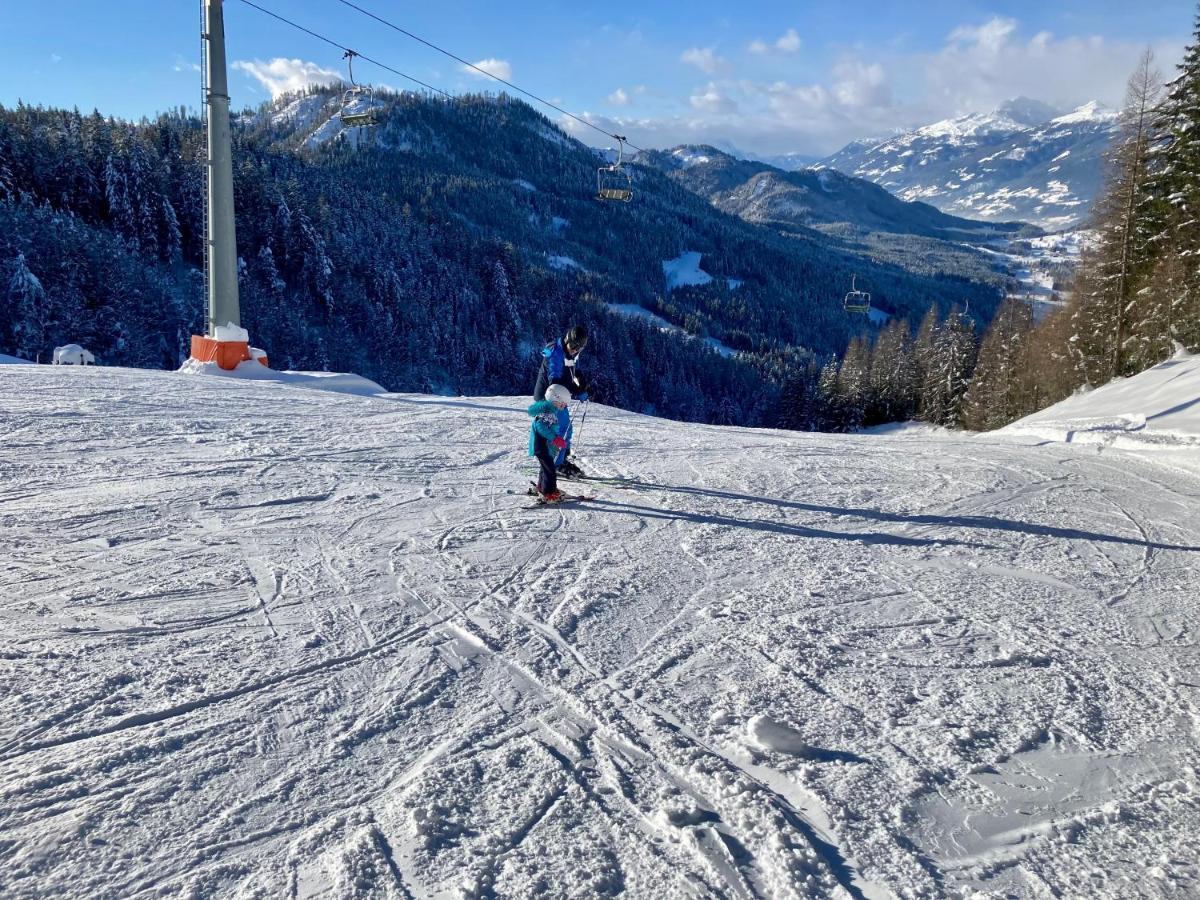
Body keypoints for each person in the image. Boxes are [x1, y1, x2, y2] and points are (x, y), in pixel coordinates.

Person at [533, 325, 589, 477]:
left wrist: (581, 380)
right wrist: (577, 391)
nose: (575, 350)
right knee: (560, 429)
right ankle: (557, 464)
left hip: (557, 395)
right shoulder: (556, 355)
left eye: (579, 348)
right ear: (567, 340)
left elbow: (572, 369)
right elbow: (556, 383)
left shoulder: (567, 351)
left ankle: (561, 459)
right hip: (549, 397)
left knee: (566, 428)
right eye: (573, 346)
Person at [527, 384, 573, 502]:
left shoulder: (550, 410)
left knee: (546, 467)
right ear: (555, 400)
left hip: (543, 445)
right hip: (541, 445)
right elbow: (540, 426)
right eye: (563, 403)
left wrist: (556, 439)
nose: (565, 405)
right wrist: (555, 439)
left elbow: (547, 427)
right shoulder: (548, 412)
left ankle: (542, 487)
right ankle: (549, 493)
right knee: (550, 469)